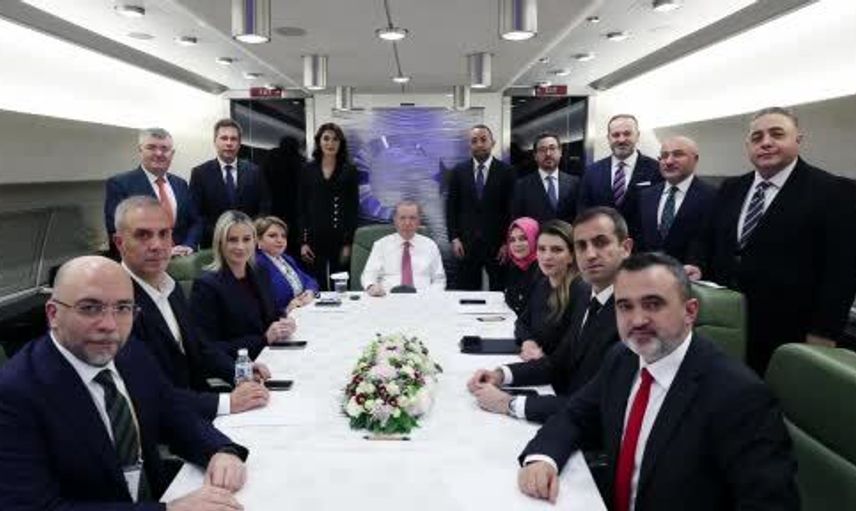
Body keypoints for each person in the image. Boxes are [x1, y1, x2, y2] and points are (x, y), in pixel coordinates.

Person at [516, 252, 798, 510]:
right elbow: (576, 415)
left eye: (653, 304)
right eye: (625, 306)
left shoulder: (740, 396)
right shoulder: (622, 358)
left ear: (690, 311)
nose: (637, 320)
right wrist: (543, 458)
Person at [0, 256, 249, 509]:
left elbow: (174, 414)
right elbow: (31, 506)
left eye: (123, 308)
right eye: (90, 308)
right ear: (53, 314)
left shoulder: (132, 354)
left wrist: (220, 450)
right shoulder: (15, 392)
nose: (110, 326)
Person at [687, 107, 856, 373]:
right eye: (757, 137)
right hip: (724, 322)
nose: (765, 142)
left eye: (777, 134)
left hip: (788, 332)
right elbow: (705, 238)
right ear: (748, 146)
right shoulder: (731, 188)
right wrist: (696, 264)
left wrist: (823, 333)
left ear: (798, 140)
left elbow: (841, 271)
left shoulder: (834, 191)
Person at [468, 207, 630, 424]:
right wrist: (500, 374)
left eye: (601, 243)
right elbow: (557, 363)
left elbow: (597, 405)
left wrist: (510, 403)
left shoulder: (630, 314)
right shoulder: (587, 298)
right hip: (565, 411)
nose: (590, 254)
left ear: (626, 248)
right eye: (581, 245)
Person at [114, 196, 271, 419]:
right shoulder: (115, 304)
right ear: (119, 242)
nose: (156, 245)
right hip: (169, 423)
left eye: (164, 234)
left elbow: (199, 348)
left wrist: (239, 370)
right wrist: (227, 403)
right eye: (143, 235)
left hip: (197, 405)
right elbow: (153, 394)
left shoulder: (172, 288)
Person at [191, 210, 296, 360]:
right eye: (232, 240)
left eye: (246, 239)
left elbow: (269, 315)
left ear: (255, 241)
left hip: (271, 354)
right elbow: (208, 349)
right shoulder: (206, 286)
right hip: (239, 365)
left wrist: (284, 321)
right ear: (220, 243)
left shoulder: (260, 272)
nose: (240, 246)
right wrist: (264, 339)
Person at [104, 127, 201, 257]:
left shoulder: (180, 184)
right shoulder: (120, 184)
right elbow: (118, 230)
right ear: (140, 150)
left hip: (182, 260)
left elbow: (195, 221)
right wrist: (161, 251)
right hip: (144, 262)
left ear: (172, 153)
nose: (159, 153)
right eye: (151, 147)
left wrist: (189, 245)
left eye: (164, 149)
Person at [446, 124, 516, 290]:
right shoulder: (458, 171)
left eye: (484, 140)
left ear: (493, 142)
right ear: (469, 145)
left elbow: (512, 209)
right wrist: (454, 238)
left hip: (497, 244)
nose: (479, 144)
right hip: (466, 244)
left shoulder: (507, 172)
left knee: (499, 291)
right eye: (474, 141)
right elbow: (451, 207)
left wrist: (507, 242)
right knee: (467, 293)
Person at [190, 118, 270, 248]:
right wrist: (222, 234)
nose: (229, 143)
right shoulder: (200, 173)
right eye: (224, 138)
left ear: (239, 144)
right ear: (215, 141)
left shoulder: (255, 171)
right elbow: (196, 214)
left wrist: (250, 231)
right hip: (214, 244)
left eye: (233, 139)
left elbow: (264, 207)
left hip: (247, 243)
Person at [298, 122, 360, 290]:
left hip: (340, 237)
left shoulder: (349, 170)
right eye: (326, 138)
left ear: (340, 143)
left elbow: (353, 209)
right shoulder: (307, 170)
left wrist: (348, 243)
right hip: (314, 236)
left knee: (340, 283)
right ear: (319, 141)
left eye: (335, 139)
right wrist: (303, 242)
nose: (330, 143)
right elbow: (302, 208)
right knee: (316, 285)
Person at [634, 136, 716, 262]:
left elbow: (713, 243)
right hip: (648, 270)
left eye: (678, 154)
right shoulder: (646, 196)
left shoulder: (713, 197)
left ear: (695, 159)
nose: (669, 161)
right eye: (664, 156)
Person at [578, 114, 661, 230]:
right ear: (608, 138)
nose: (621, 140)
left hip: (642, 240)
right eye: (615, 135)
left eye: (627, 134)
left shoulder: (656, 169)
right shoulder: (592, 172)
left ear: (637, 136)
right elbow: (584, 212)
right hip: (602, 239)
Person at [514, 220, 578, 361]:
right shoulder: (542, 284)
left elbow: (568, 352)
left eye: (557, 250)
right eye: (542, 249)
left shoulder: (580, 292)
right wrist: (528, 341)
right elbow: (522, 322)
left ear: (572, 256)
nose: (547, 256)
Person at [360, 200, 446, 295]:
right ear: (395, 220)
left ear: (419, 221)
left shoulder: (430, 245)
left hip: (423, 298)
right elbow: (369, 275)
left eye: (412, 218)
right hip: (388, 297)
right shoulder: (381, 245)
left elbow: (439, 280)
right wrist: (372, 287)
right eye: (402, 218)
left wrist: (429, 296)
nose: (407, 223)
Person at [254, 216, 319, 314]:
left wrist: (310, 291)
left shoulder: (286, 258)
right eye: (272, 236)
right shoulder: (257, 264)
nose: (280, 240)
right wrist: (286, 309)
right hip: (281, 319)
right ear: (258, 240)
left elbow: (309, 280)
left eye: (283, 236)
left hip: (302, 312)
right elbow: (260, 307)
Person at [511, 132, 580, 224]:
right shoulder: (522, 186)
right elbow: (518, 221)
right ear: (535, 156)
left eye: (552, 148)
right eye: (542, 150)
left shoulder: (575, 183)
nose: (548, 154)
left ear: (560, 152)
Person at [262, 136, 305, 259]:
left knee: (275, 248)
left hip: (274, 211)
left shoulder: (270, 158)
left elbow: (263, 183)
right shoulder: (300, 162)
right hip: (295, 213)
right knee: (294, 252)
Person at [503, 217, 541, 315]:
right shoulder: (515, 267)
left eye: (523, 238)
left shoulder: (543, 269)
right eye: (512, 240)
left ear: (535, 239)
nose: (517, 244)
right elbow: (510, 298)